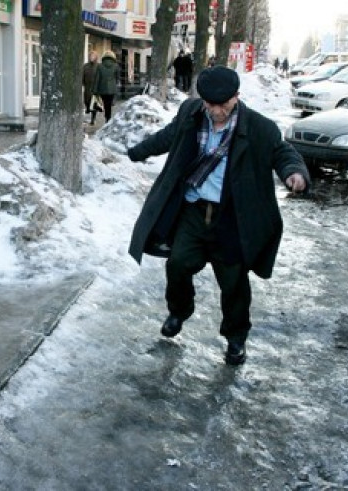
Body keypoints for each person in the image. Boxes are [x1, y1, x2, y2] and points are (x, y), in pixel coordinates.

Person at [126, 65, 310, 365]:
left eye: (223, 104)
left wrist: (295, 173)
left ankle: (236, 337)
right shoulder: (191, 113)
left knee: (234, 283)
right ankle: (179, 310)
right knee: (178, 264)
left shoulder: (259, 127)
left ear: (236, 97)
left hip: (232, 218)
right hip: (193, 212)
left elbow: (282, 153)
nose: (216, 111)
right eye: (210, 104)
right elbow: (168, 136)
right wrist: (137, 151)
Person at [92, 50, 118, 123]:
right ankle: (108, 118)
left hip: (102, 89)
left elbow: (97, 79)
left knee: (104, 103)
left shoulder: (99, 66)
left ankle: (106, 117)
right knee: (109, 105)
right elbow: (117, 79)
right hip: (112, 89)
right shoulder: (116, 66)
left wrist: (94, 91)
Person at [82, 51, 99, 126]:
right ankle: (88, 109)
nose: (91, 57)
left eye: (93, 56)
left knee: (94, 104)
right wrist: (82, 82)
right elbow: (82, 75)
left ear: (96, 57)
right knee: (87, 102)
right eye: (90, 56)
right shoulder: (85, 66)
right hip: (87, 87)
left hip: (95, 88)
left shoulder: (98, 66)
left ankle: (93, 119)